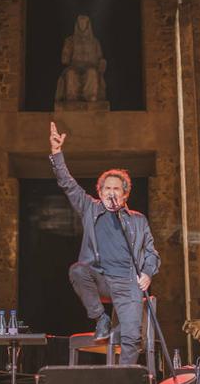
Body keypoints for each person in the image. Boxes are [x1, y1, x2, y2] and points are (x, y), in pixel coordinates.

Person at [49, 122, 160, 366]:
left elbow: (152, 254)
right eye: (107, 188)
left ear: (125, 194)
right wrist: (57, 153)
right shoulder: (90, 208)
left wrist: (148, 273)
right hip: (102, 279)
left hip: (129, 283)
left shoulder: (138, 221)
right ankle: (101, 318)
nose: (111, 193)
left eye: (116, 189)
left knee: (132, 340)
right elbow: (68, 184)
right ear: (100, 192)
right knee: (77, 270)